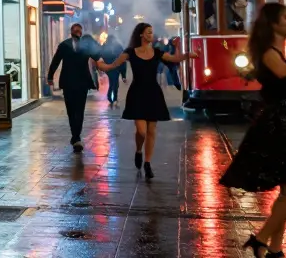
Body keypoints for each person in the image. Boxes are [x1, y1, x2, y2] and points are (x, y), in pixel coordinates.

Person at [220, 3, 286, 258]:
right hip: (277, 125)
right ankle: (261, 239)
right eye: (285, 17)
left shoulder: (275, 51)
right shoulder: (267, 53)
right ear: (273, 24)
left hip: (284, 122)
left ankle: (275, 249)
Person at [97, 23, 196, 180]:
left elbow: (175, 59)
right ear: (141, 35)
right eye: (148, 32)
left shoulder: (156, 52)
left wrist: (187, 54)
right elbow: (112, 66)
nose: (151, 35)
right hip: (137, 93)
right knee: (141, 131)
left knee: (151, 131)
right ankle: (138, 150)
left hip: (153, 93)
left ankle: (147, 163)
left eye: (152, 32)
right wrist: (101, 65)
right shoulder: (130, 52)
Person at [47, 23, 99, 152]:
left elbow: (97, 57)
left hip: (82, 83)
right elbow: (55, 61)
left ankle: (76, 138)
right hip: (68, 82)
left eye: (79, 30)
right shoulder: (64, 45)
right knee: (71, 111)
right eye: (75, 30)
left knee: (79, 111)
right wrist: (50, 77)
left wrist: (93, 43)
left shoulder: (86, 46)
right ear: (71, 32)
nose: (77, 32)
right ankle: (75, 136)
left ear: (81, 32)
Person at [96, 32, 126, 105]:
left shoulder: (105, 46)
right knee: (114, 83)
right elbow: (123, 60)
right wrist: (123, 75)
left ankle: (110, 98)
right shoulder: (118, 47)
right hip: (115, 67)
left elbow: (100, 56)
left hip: (108, 67)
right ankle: (113, 98)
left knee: (112, 82)